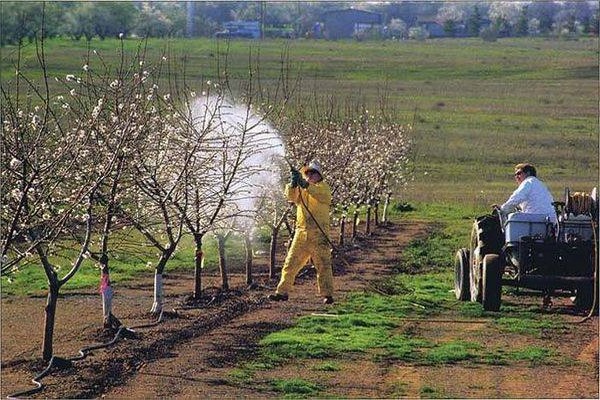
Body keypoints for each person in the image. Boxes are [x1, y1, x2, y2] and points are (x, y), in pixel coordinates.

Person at [268, 160, 335, 305]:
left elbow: (319, 194)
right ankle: (282, 292)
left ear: (319, 175)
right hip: (301, 233)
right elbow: (291, 197)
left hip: (319, 234)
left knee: (323, 265)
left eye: (312, 173)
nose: (309, 175)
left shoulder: (324, 188)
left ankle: (327, 294)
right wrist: (292, 184)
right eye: (307, 173)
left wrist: (305, 185)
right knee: (290, 263)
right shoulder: (303, 190)